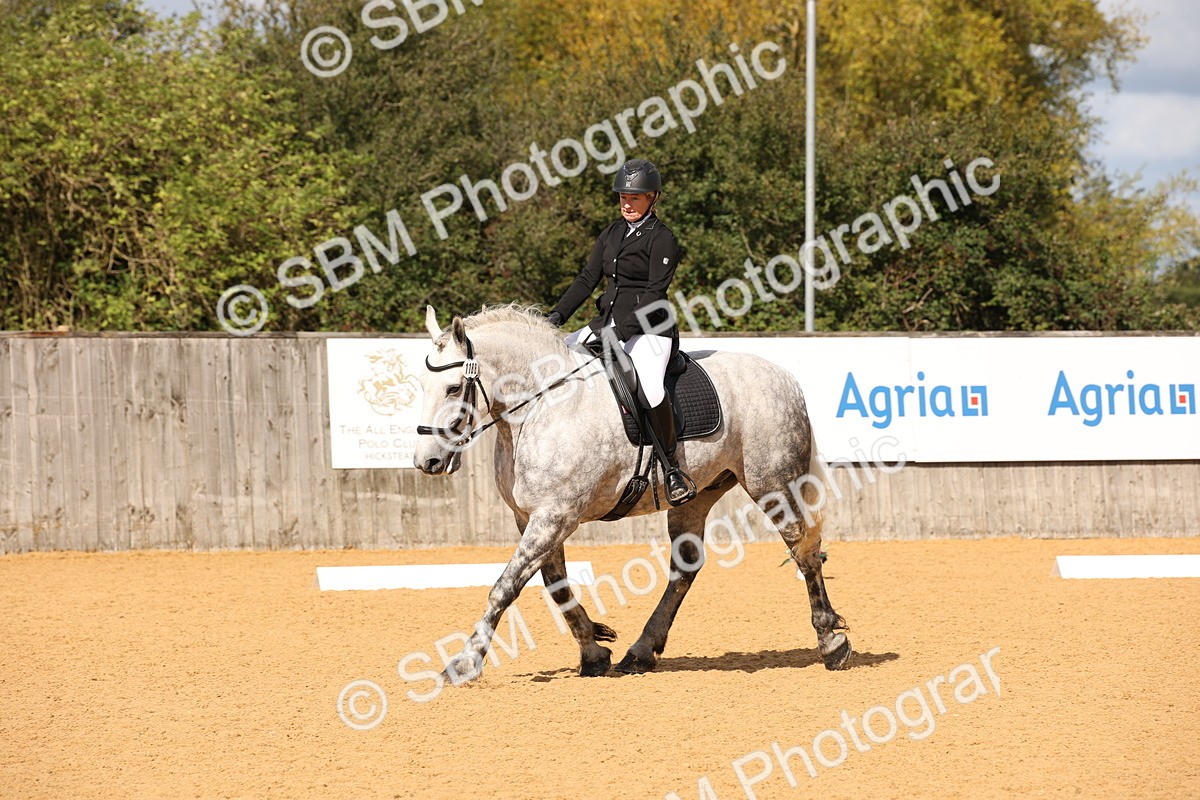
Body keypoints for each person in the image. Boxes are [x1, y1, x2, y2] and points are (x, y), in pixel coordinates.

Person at [545, 158, 695, 504]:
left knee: (651, 390)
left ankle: (672, 469)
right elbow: (587, 279)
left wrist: (617, 332)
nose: (628, 204)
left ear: (653, 198)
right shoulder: (611, 233)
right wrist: (555, 317)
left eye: (636, 198)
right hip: (607, 324)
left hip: (650, 330)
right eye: (623, 197)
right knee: (559, 360)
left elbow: (655, 295)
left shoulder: (663, 239)